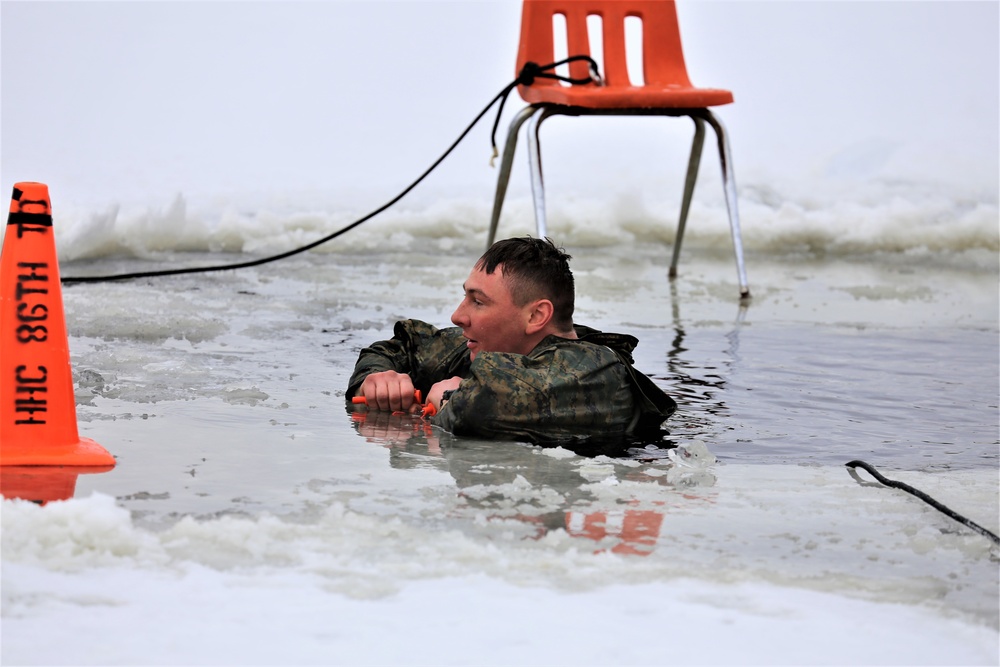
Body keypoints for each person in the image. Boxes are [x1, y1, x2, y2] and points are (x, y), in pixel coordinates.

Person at [347, 237, 676, 444]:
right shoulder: (488, 345)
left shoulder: (594, 373)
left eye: (479, 302)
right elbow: (404, 346)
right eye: (466, 297)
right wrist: (378, 378)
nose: (458, 316)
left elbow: (478, 406)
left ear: (535, 316)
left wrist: (448, 396)